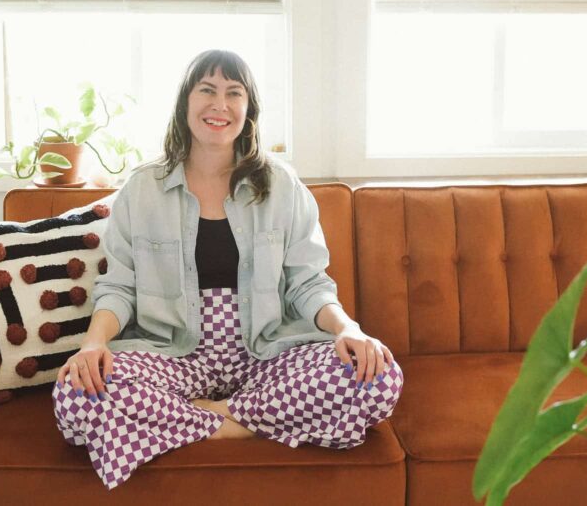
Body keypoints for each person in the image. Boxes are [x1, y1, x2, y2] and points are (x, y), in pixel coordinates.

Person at [51, 49, 403, 490]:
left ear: (247, 110)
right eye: (207, 90)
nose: (220, 104)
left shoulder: (282, 186)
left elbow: (308, 282)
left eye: (233, 93)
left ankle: (212, 420)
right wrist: (92, 344)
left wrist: (348, 329)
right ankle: (252, 420)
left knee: (379, 378)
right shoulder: (142, 189)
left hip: (266, 350)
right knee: (75, 395)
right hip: (173, 353)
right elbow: (119, 286)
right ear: (185, 103)